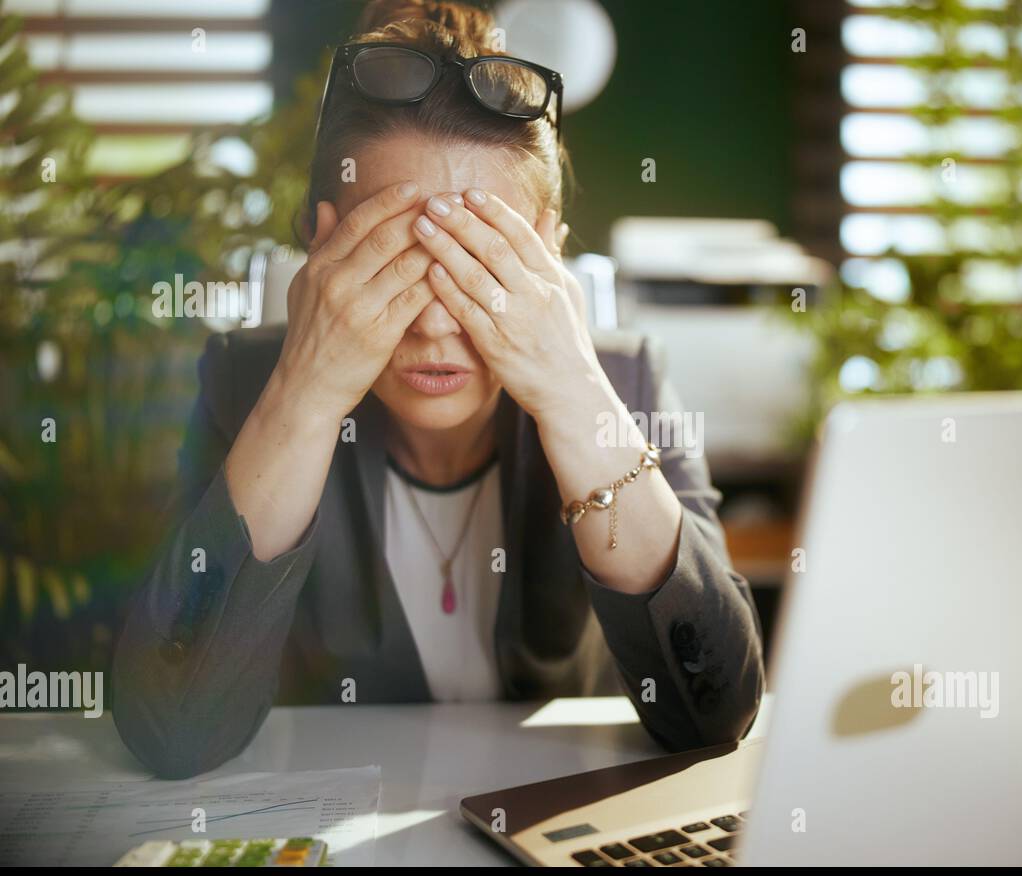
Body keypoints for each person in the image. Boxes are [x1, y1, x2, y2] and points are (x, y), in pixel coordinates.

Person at [110, 0, 764, 779]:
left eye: (480, 268)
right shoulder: (247, 385)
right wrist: (304, 397)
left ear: (550, 260)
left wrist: (571, 393)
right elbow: (170, 732)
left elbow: (714, 716)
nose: (434, 330)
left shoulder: (623, 383)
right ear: (324, 248)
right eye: (393, 266)